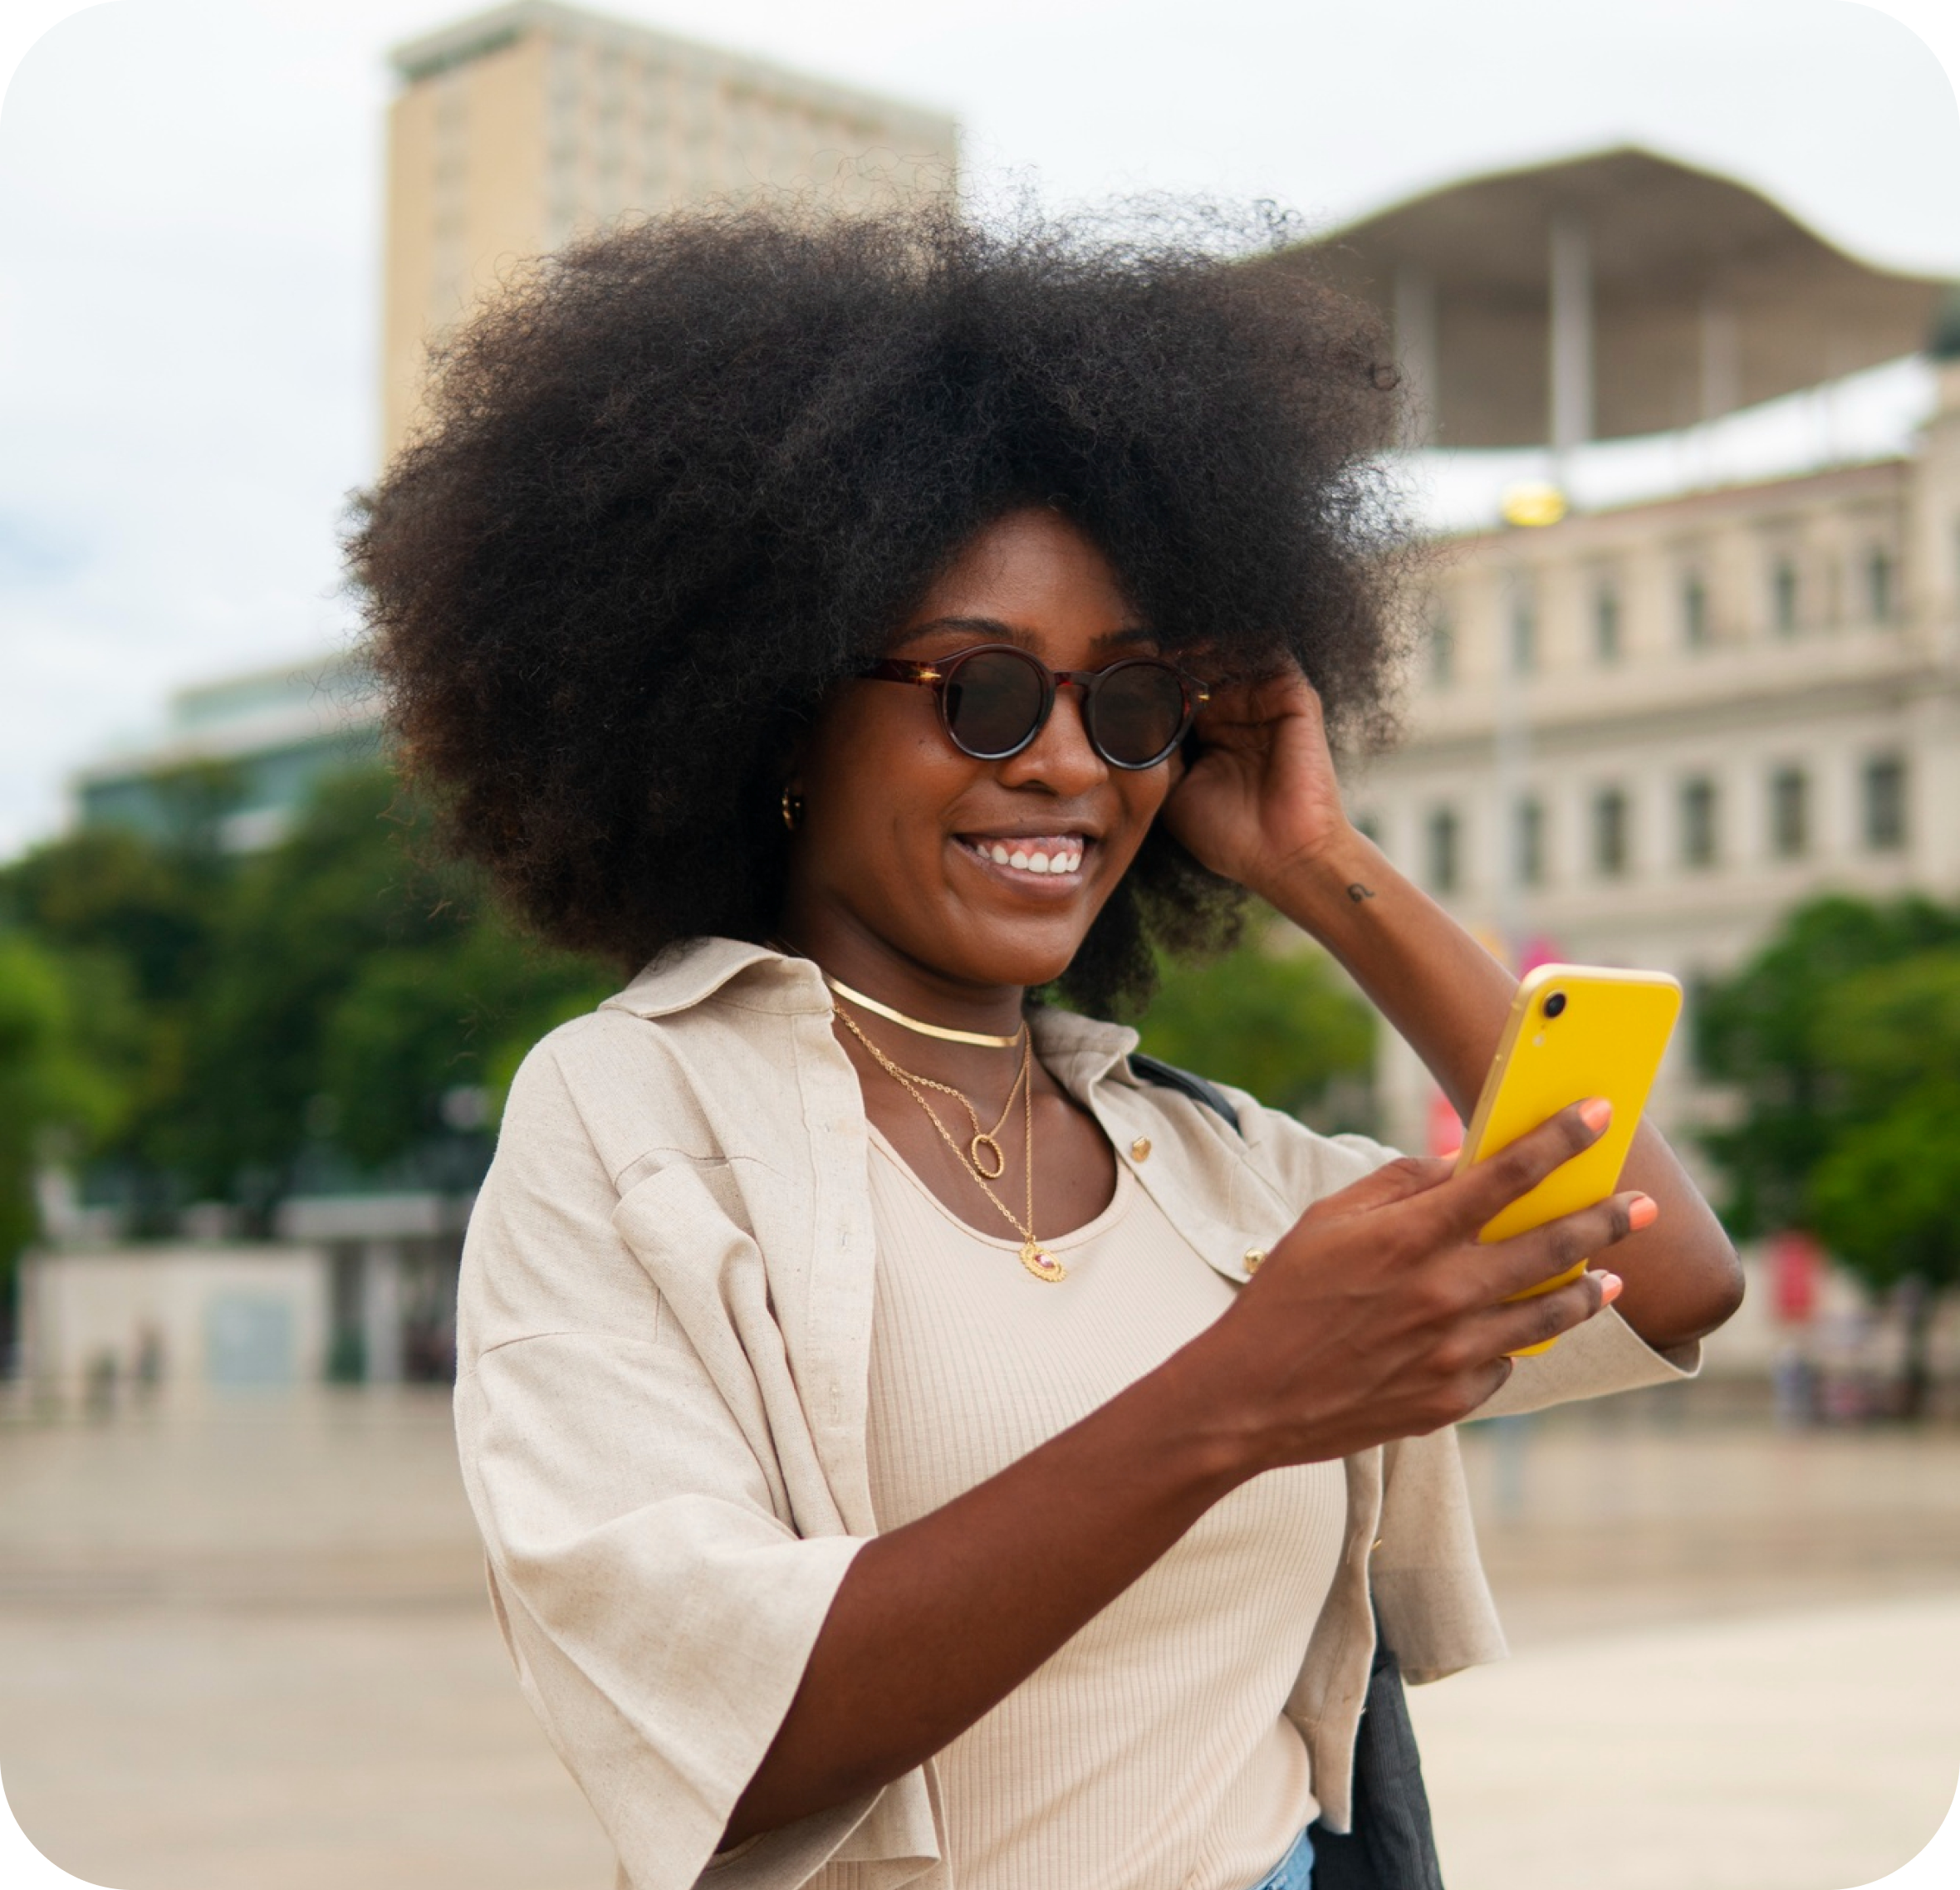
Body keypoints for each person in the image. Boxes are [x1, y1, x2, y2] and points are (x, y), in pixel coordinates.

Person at [352, 202, 1742, 1890]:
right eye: (984, 693)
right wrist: (1242, 1396)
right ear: (780, 707)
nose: (1072, 765)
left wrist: (1323, 866)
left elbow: (1671, 1282)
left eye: (1134, 704)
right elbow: (738, 1739)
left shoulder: (1204, 1158)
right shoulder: (634, 1113)